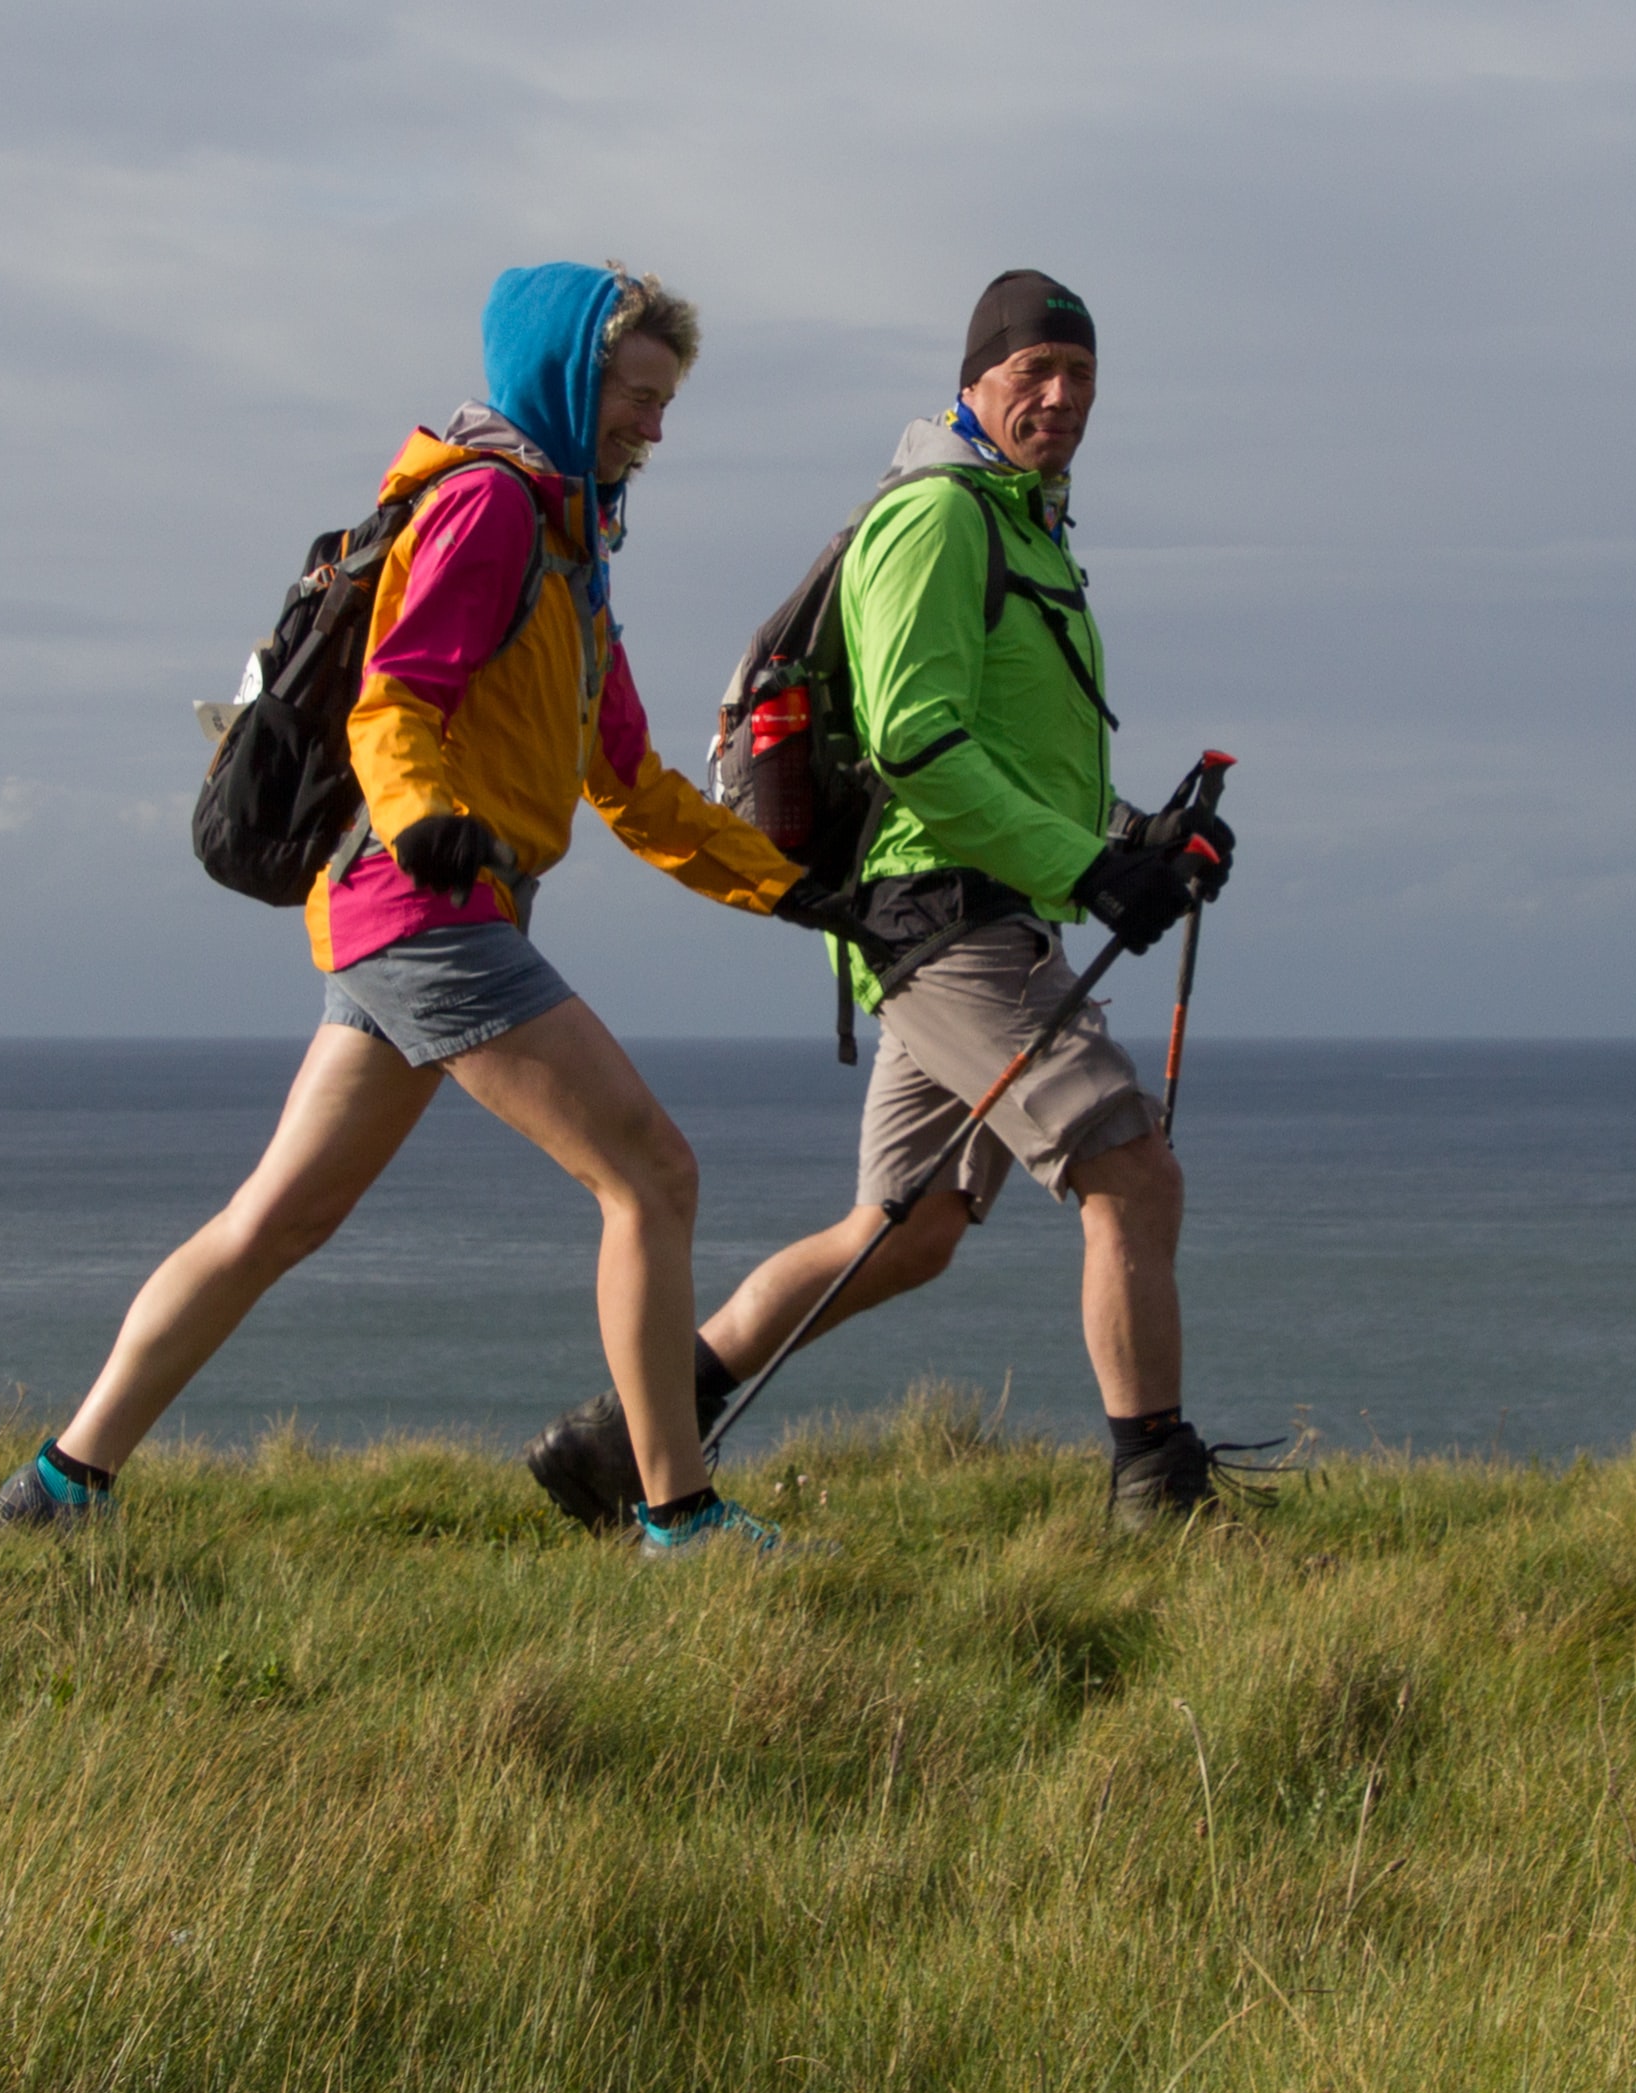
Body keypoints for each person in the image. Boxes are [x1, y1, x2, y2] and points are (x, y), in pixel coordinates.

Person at [0, 262, 808, 1558]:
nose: (657, 426)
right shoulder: (486, 508)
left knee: (280, 1218)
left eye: (664, 400)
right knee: (652, 1172)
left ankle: (55, 1488)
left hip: (419, 913)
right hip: (426, 905)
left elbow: (635, 786)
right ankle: (677, 1512)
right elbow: (394, 696)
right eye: (638, 397)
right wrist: (423, 819)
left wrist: (806, 893)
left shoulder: (572, 546)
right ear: (569, 382)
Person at [520, 268, 1260, 1531]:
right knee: (1130, 1172)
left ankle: (617, 1437)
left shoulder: (1028, 527)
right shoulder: (937, 521)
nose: (1059, 395)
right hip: (944, 915)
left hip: (977, 908)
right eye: (1032, 371)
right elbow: (918, 746)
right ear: (972, 380)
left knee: (901, 1232)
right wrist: (1091, 870)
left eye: (1078, 376)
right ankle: (1156, 1489)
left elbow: (1015, 762)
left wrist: (1140, 834)